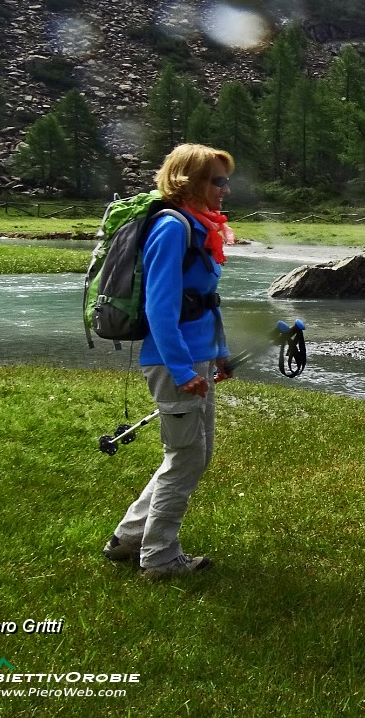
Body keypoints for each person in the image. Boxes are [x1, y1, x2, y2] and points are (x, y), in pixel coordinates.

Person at [103, 144, 235, 579]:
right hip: (173, 362)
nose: (224, 188)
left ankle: (128, 537)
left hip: (196, 358)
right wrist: (181, 370)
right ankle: (160, 557)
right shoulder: (172, 228)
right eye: (216, 180)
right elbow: (162, 309)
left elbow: (203, 303)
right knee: (186, 457)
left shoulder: (198, 227)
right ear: (189, 181)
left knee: (191, 455)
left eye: (224, 179)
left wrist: (219, 353)